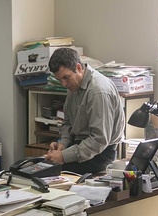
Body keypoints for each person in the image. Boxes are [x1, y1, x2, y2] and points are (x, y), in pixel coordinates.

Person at [44, 47, 125, 175]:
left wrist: (64, 156)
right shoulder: (73, 85)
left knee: (50, 171)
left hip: (100, 153)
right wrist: (63, 144)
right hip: (80, 144)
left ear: (79, 68)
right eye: (60, 80)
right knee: (41, 164)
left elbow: (99, 140)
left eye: (66, 77)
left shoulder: (98, 91)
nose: (63, 84)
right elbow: (67, 122)